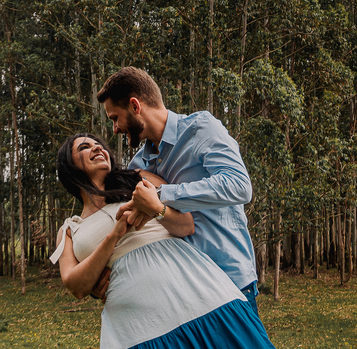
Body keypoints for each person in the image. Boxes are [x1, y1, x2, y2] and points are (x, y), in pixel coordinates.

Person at [51, 133, 274, 349]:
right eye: (84, 147)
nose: (97, 147)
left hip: (196, 293)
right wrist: (114, 236)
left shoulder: (138, 180)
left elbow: (186, 225)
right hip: (137, 327)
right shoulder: (70, 230)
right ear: (69, 166)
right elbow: (76, 286)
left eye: (98, 144)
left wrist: (157, 209)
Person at [97, 67, 260, 315]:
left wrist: (162, 195)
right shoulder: (137, 166)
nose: (115, 129)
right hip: (181, 295)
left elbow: (239, 186)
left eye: (115, 118)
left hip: (230, 281)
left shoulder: (200, 128)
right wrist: (105, 276)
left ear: (135, 106)